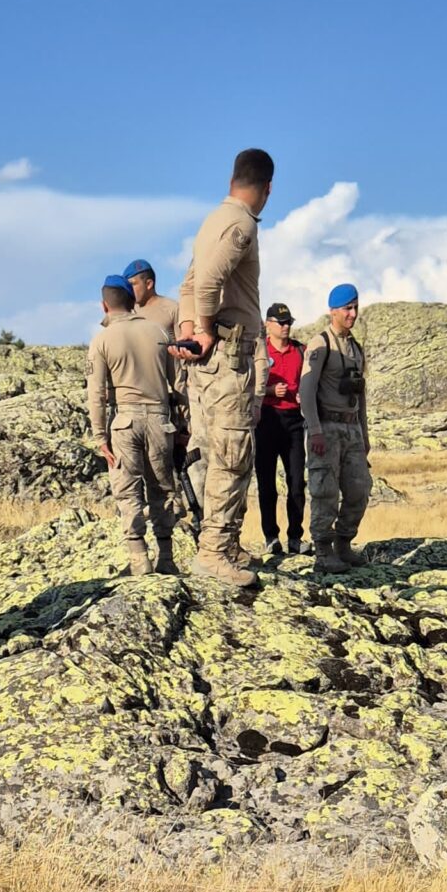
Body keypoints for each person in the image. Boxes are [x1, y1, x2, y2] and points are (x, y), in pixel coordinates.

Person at [177, 148, 273, 590]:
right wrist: (206, 330)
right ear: (267, 188)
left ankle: (228, 541)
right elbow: (211, 281)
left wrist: (189, 329)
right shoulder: (242, 224)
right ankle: (214, 551)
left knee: (227, 451)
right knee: (231, 455)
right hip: (229, 355)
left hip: (213, 361)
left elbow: (189, 284)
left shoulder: (213, 219)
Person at [86, 273, 182, 574]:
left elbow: (96, 393)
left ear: (104, 306)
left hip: (125, 420)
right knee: (163, 489)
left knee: (128, 490)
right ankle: (166, 556)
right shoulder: (158, 333)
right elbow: (178, 384)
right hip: (160, 419)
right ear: (132, 302)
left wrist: (100, 436)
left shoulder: (101, 339)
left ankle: (139, 558)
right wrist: (181, 424)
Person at [302, 285, 371, 570]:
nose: (353, 314)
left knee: (360, 489)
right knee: (325, 491)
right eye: (347, 308)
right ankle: (323, 550)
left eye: (355, 307)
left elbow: (361, 395)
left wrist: (364, 435)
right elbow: (306, 390)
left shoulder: (356, 349)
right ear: (333, 311)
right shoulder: (320, 344)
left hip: (351, 428)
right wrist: (315, 429)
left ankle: (344, 543)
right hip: (326, 428)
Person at [254, 302, 306, 559]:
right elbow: (248, 387)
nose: (286, 327)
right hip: (266, 420)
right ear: (268, 324)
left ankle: (295, 537)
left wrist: (304, 398)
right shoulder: (259, 352)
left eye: (288, 323)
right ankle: (271, 537)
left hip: (295, 422)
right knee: (267, 484)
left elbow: (311, 383)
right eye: (281, 322)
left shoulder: (300, 351)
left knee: (296, 482)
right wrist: (270, 392)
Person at [124, 259, 179, 342]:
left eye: (132, 284)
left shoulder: (172, 308)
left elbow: (183, 347)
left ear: (149, 284)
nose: (129, 289)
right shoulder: (127, 312)